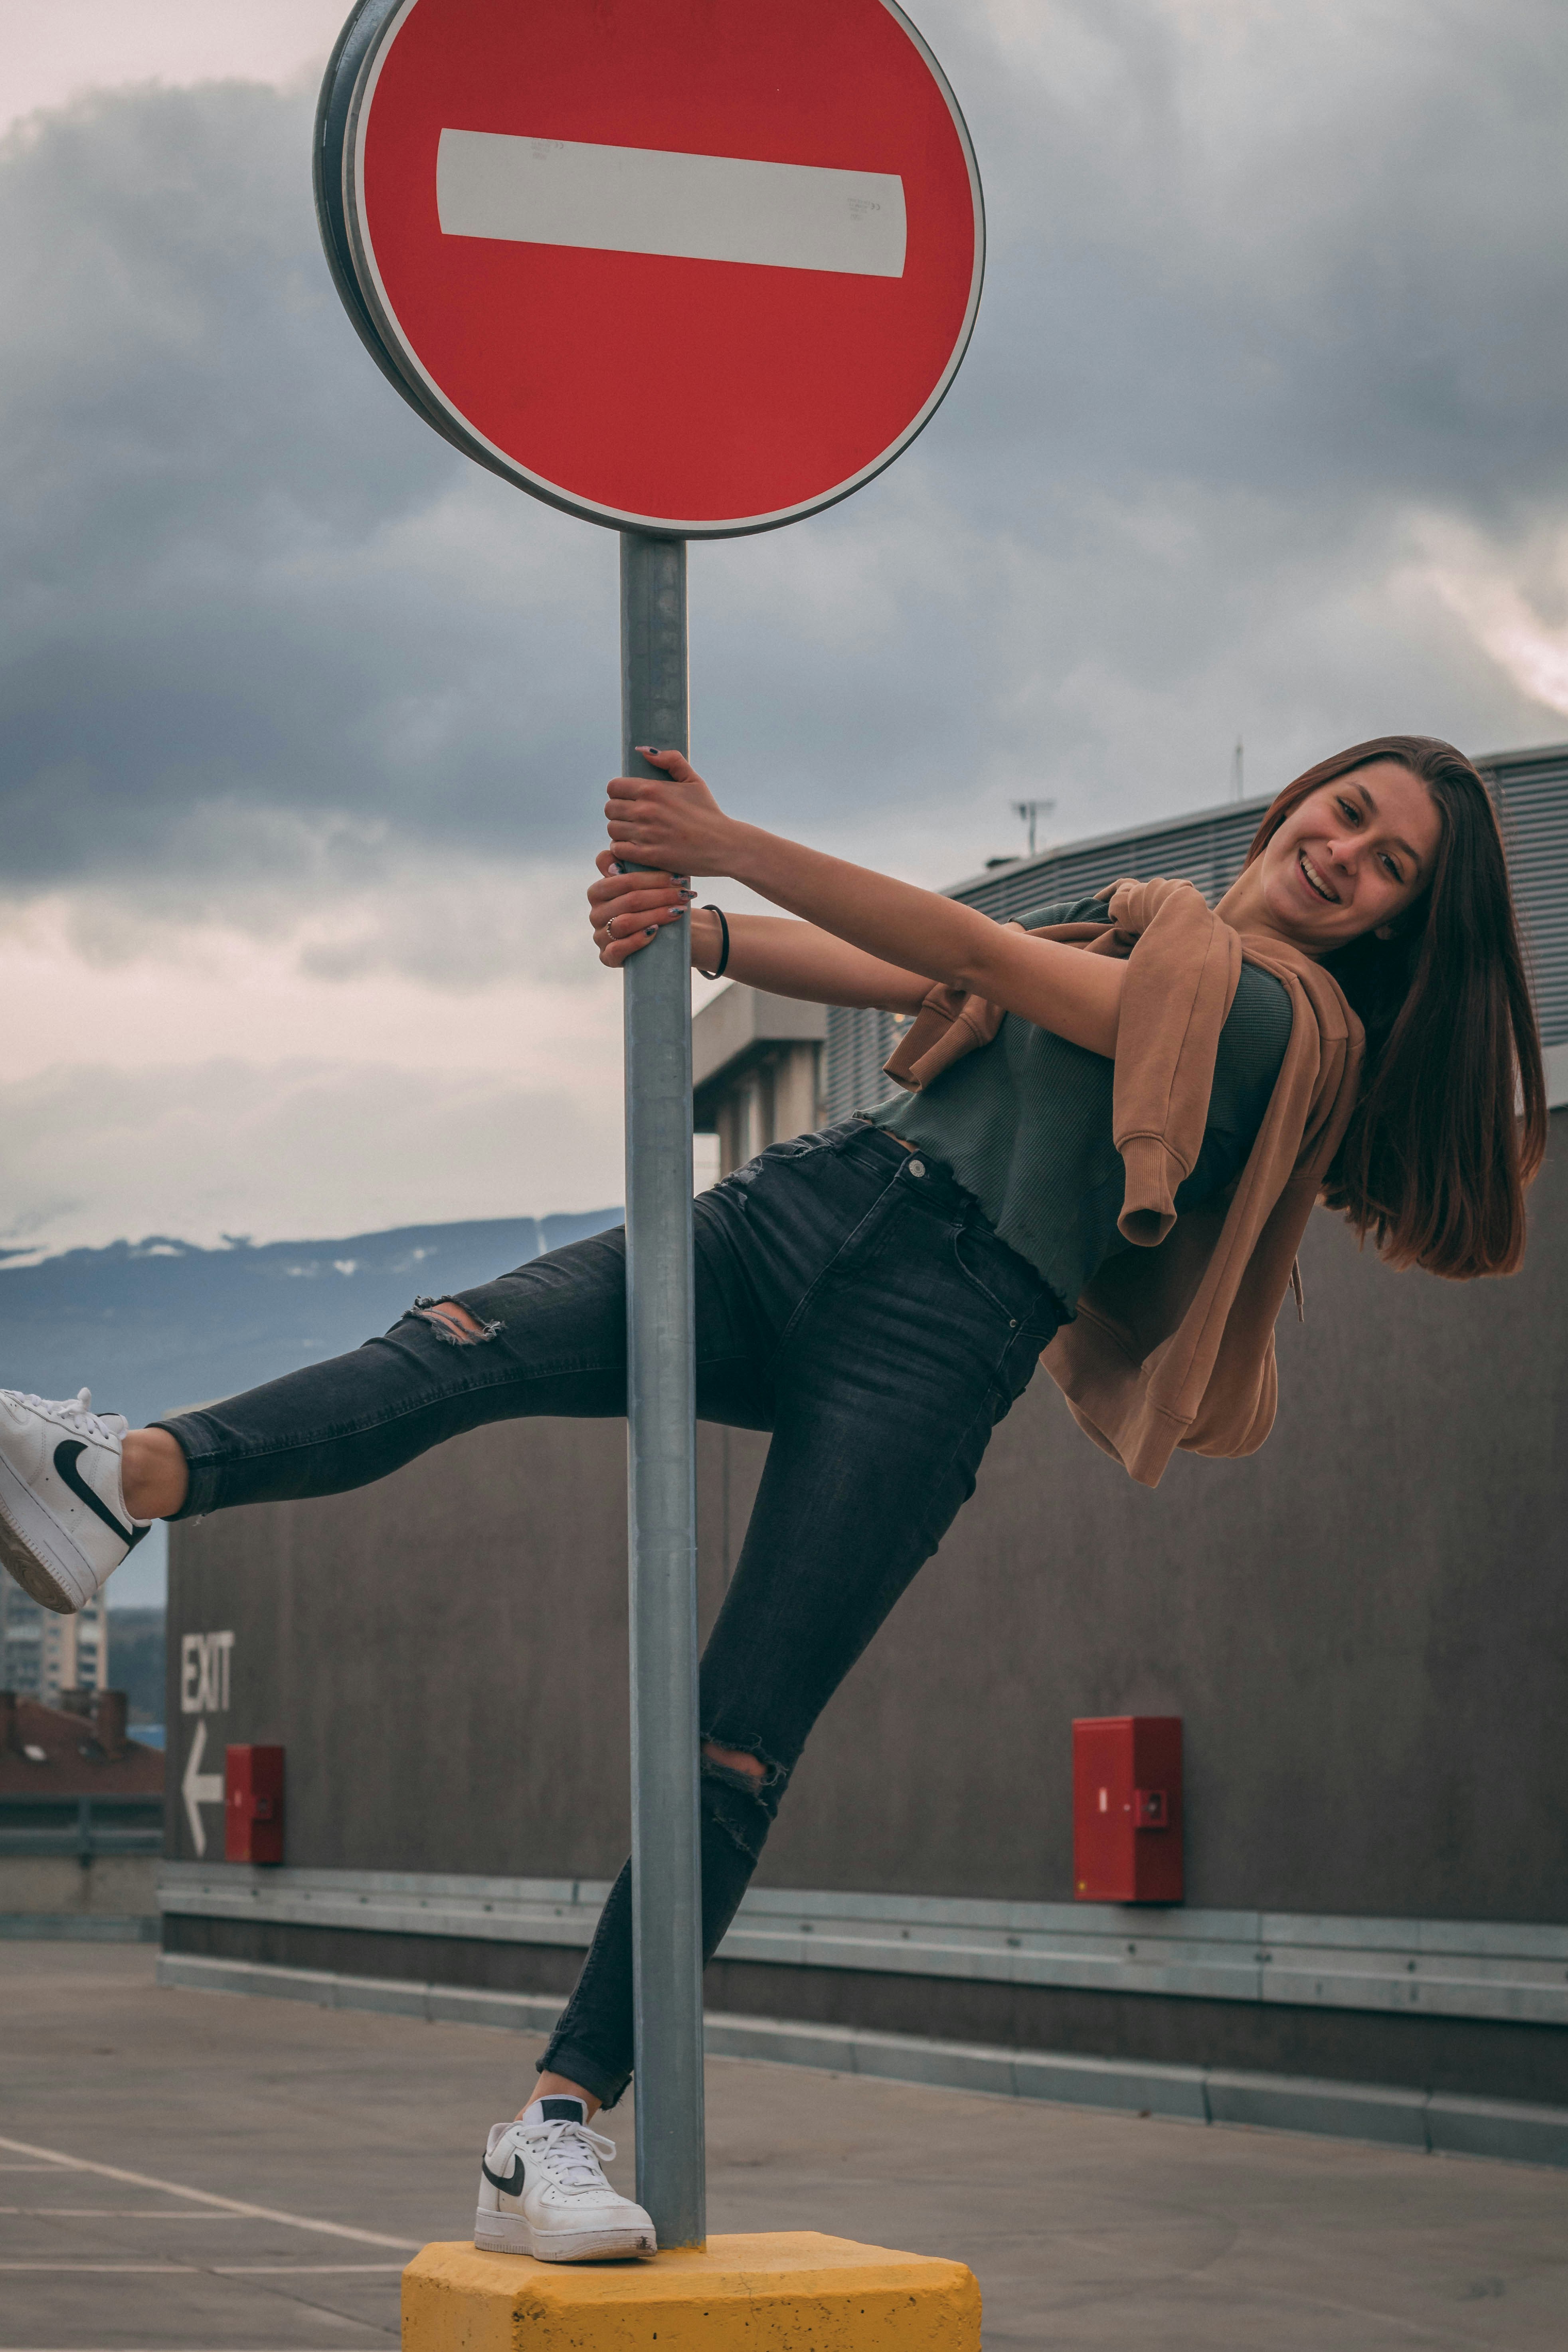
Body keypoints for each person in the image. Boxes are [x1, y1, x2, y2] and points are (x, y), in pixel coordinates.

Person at [0, 733, 1546, 2260]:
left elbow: (967, 954)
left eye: (1385, 863)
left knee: (733, 1739)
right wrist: (705, 933)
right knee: (465, 1343)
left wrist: (724, 844)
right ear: (1297, 797)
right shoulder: (1142, 932)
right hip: (807, 1206)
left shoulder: (1285, 1022)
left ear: (1395, 918)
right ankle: (125, 1475)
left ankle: (550, 2126)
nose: (1341, 852)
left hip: (943, 1335)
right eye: (1344, 811)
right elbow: (932, 974)